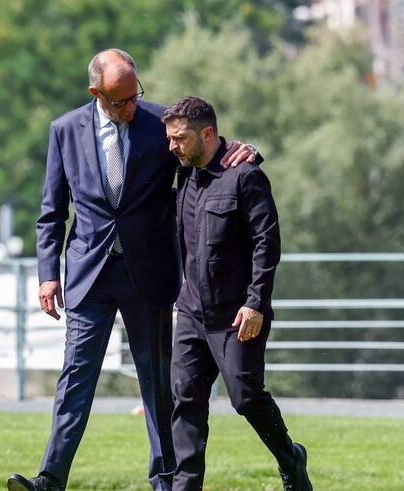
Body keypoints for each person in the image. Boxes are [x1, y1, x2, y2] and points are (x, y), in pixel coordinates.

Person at [7, 49, 257, 491]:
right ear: (96, 93)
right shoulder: (64, 130)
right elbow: (52, 211)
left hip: (149, 274)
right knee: (75, 379)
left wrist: (246, 150)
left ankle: (165, 480)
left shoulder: (158, 123)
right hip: (89, 276)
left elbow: (202, 148)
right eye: (120, 100)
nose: (131, 106)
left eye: (134, 96)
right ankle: (50, 479)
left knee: (158, 385)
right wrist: (47, 274)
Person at [163, 96, 312, 491]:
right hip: (192, 312)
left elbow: (267, 242)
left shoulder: (245, 177)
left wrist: (256, 303)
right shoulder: (183, 173)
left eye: (180, 138)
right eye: (170, 138)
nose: (172, 146)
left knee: (246, 398)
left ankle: (290, 458)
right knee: (185, 400)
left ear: (207, 134)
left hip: (237, 315)